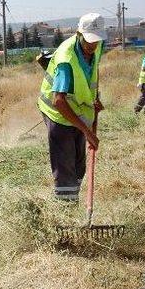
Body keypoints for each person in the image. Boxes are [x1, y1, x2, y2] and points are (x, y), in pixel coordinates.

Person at [37, 13, 106, 201]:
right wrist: (87, 131)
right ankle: (65, 209)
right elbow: (59, 101)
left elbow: (93, 71)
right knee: (65, 163)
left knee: (79, 165)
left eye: (96, 41)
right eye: (89, 41)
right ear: (79, 34)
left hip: (78, 109)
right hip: (58, 112)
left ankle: (72, 196)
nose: (92, 46)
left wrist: (95, 98)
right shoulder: (66, 60)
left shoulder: (97, 46)